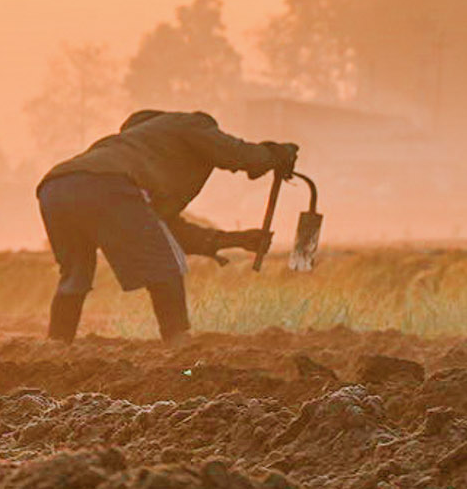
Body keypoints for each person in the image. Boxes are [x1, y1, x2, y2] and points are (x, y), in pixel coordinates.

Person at [36, 109, 297, 343]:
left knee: (75, 274)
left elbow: (166, 229)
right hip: (108, 183)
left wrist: (234, 240)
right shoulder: (188, 123)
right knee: (164, 266)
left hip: (55, 187)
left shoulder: (127, 148)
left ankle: (57, 344)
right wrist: (275, 155)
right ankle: (177, 341)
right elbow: (239, 154)